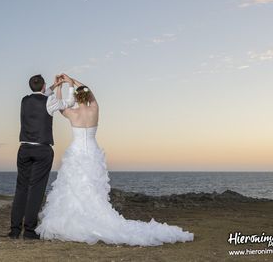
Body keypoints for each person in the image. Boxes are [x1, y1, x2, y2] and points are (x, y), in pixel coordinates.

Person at [35, 78, 194, 246]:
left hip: (76, 153)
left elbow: (60, 105)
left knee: (74, 186)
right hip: (93, 153)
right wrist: (71, 80)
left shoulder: (72, 113)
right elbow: (88, 91)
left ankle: (79, 217)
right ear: (88, 97)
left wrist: (60, 85)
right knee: (93, 187)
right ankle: (93, 216)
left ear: (76, 98)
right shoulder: (95, 109)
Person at [8, 73, 75, 240]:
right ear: (43, 86)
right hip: (42, 150)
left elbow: (41, 94)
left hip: (24, 149)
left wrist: (52, 86)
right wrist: (70, 85)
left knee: (21, 188)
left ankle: (15, 230)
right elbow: (69, 102)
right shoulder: (49, 101)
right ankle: (29, 231)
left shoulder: (24, 100)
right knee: (36, 190)